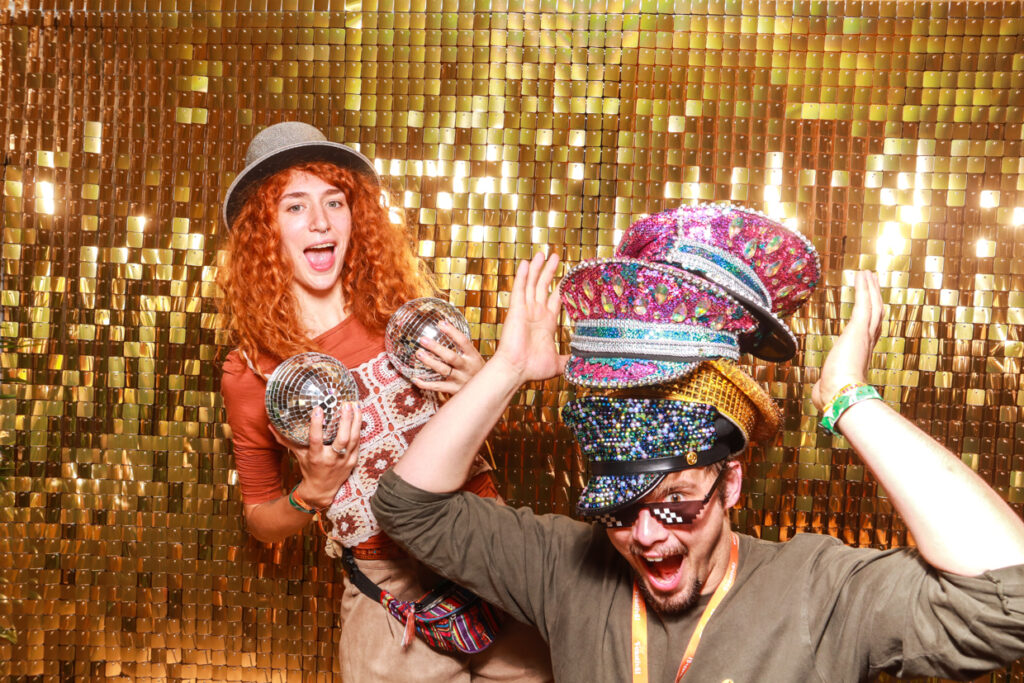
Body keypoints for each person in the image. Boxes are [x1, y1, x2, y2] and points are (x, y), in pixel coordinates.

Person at [372, 252, 1024, 682]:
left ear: (731, 481)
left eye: (676, 503)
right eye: (620, 508)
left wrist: (848, 398)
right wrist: (507, 369)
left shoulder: (819, 591)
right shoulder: (565, 568)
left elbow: (1012, 592)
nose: (648, 533)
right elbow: (407, 505)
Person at [217, 121, 552, 681]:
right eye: (295, 207)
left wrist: (479, 387)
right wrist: (311, 493)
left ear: (356, 216)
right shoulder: (252, 370)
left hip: (491, 554)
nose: (320, 221)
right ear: (263, 230)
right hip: (389, 602)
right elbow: (260, 520)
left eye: (335, 201)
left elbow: (475, 438)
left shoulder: (410, 319)